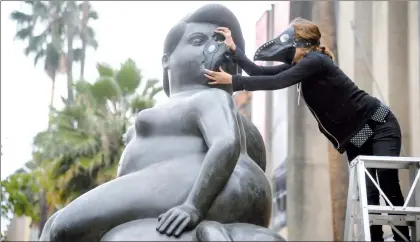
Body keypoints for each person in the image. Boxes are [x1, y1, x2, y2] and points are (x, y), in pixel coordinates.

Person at [39, 4, 281, 242]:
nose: (214, 49)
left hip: (207, 189)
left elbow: (227, 143)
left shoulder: (208, 97)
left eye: (222, 43)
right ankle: (208, 231)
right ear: (167, 60)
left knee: (61, 226)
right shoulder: (199, 106)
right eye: (198, 41)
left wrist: (193, 206)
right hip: (218, 194)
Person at [205, 17, 410, 241]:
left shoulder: (316, 61)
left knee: (386, 182)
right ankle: (376, 239)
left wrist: (233, 81)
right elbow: (260, 72)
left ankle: (402, 238)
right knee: (368, 193)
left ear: (302, 45)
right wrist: (235, 51)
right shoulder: (305, 66)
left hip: (380, 124)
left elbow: (277, 82)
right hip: (357, 137)